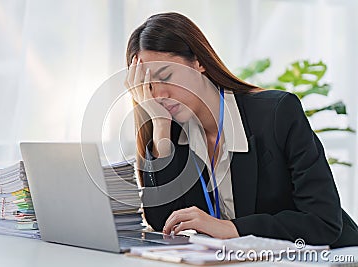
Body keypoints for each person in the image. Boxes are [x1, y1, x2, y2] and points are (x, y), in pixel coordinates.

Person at [124, 12, 358, 248]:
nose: (160, 95)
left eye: (166, 76)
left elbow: (322, 222)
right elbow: (164, 223)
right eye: (147, 86)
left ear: (199, 62)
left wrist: (231, 229)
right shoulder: (171, 134)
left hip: (327, 257)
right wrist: (161, 131)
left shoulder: (277, 113)